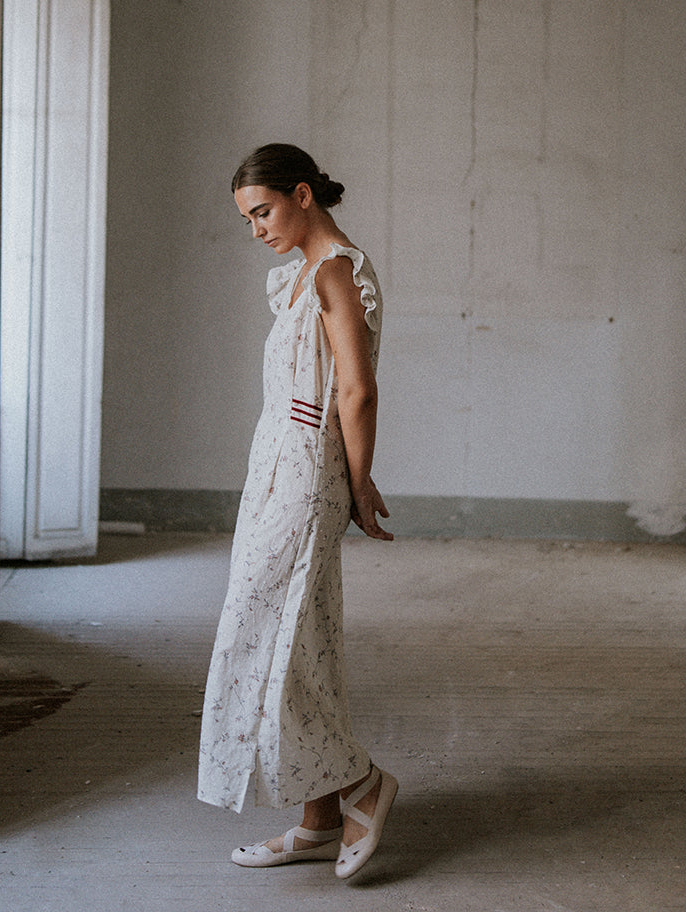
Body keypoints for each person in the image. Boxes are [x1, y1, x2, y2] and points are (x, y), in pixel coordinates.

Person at [197, 143, 397, 880]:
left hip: (306, 472)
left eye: (263, 212)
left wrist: (358, 477)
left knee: (273, 632)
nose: (257, 230)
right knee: (292, 634)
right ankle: (316, 817)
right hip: (278, 467)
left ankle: (362, 785)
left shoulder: (336, 269)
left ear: (303, 194)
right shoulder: (304, 276)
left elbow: (357, 389)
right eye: (248, 218)